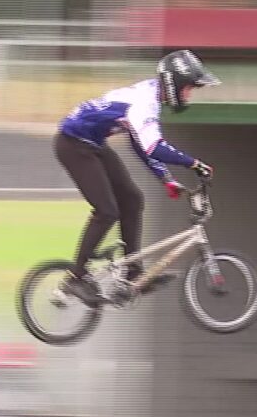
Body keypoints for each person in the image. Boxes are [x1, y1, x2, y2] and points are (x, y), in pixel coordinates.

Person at [54, 49, 220, 305]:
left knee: (132, 199)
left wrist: (166, 178)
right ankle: (75, 278)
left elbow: (140, 145)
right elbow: (154, 147)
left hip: (93, 144)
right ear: (173, 83)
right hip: (72, 144)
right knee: (107, 210)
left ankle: (133, 273)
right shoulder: (145, 102)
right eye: (188, 88)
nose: (189, 95)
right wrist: (194, 164)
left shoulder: (150, 95)